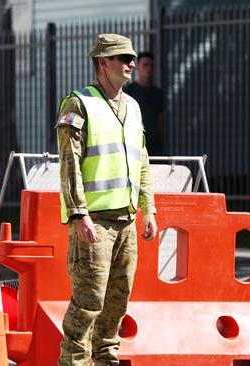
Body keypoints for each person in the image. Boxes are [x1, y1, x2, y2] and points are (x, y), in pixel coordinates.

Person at [56, 33, 158, 366]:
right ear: (103, 62)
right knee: (87, 306)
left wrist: (149, 209)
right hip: (95, 223)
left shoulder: (134, 106)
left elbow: (141, 160)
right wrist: (78, 214)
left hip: (126, 222)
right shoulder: (79, 103)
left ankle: (107, 361)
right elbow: (70, 163)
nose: (131, 63)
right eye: (123, 58)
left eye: (131, 58)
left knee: (116, 306)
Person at [123, 51, 167, 156]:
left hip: (155, 147)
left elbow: (161, 120)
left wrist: (162, 142)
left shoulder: (158, 93)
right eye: (145, 65)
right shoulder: (128, 91)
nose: (149, 68)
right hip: (134, 145)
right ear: (137, 67)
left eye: (151, 65)